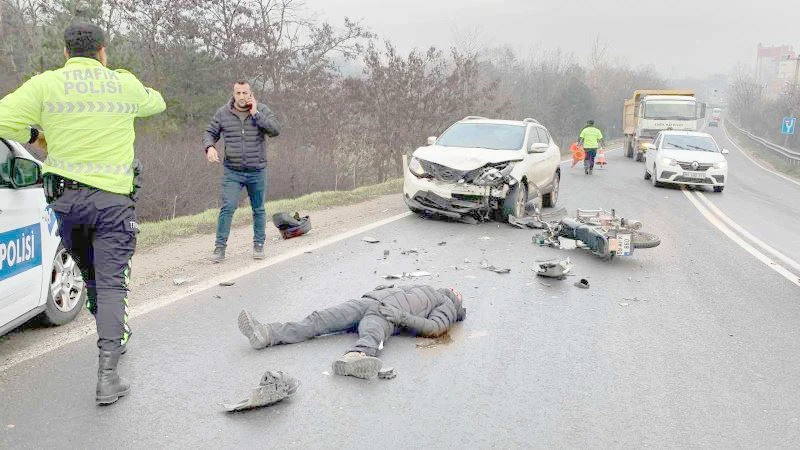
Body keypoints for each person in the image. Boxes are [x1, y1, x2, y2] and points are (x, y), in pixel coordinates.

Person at [0, 22, 166, 405]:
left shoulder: (46, 84)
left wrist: (33, 135)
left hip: (66, 204)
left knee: (90, 272)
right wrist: (123, 79)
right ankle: (108, 374)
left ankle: (113, 332)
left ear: (65, 52)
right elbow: (156, 102)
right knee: (109, 282)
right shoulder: (121, 83)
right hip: (113, 205)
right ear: (103, 50)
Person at [237, 284, 467, 379]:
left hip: (387, 314)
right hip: (367, 303)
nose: (455, 290)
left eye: (458, 294)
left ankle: (355, 359)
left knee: (372, 336)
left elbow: (436, 328)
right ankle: (265, 334)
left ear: (458, 301)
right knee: (319, 319)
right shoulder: (427, 288)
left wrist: (401, 317)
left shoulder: (447, 305)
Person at [203, 81, 280, 262]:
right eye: (238, 93)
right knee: (228, 207)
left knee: (258, 209)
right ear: (233, 94)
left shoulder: (261, 110)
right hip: (233, 171)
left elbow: (275, 130)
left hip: (257, 170)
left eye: (245, 93)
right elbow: (209, 132)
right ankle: (219, 248)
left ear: (251, 93)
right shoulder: (223, 113)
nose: (242, 96)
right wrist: (209, 147)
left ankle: (258, 245)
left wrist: (256, 114)